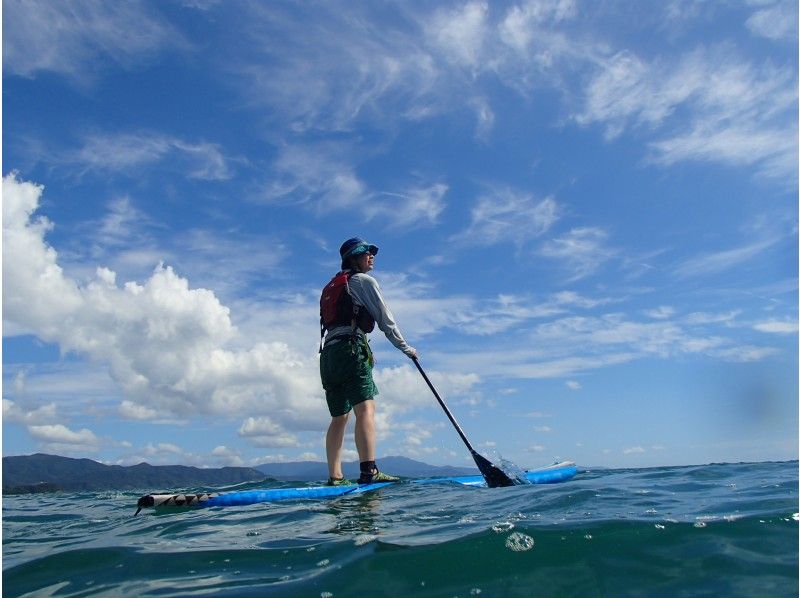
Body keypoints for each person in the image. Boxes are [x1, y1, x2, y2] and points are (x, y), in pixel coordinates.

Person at [319, 237, 417, 486]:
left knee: (339, 417)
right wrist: (405, 348)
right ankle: (369, 471)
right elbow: (386, 320)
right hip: (351, 350)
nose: (371, 256)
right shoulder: (363, 282)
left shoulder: (333, 286)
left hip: (328, 355)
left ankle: (335, 477)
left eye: (372, 253)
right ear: (353, 258)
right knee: (365, 410)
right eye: (365, 253)